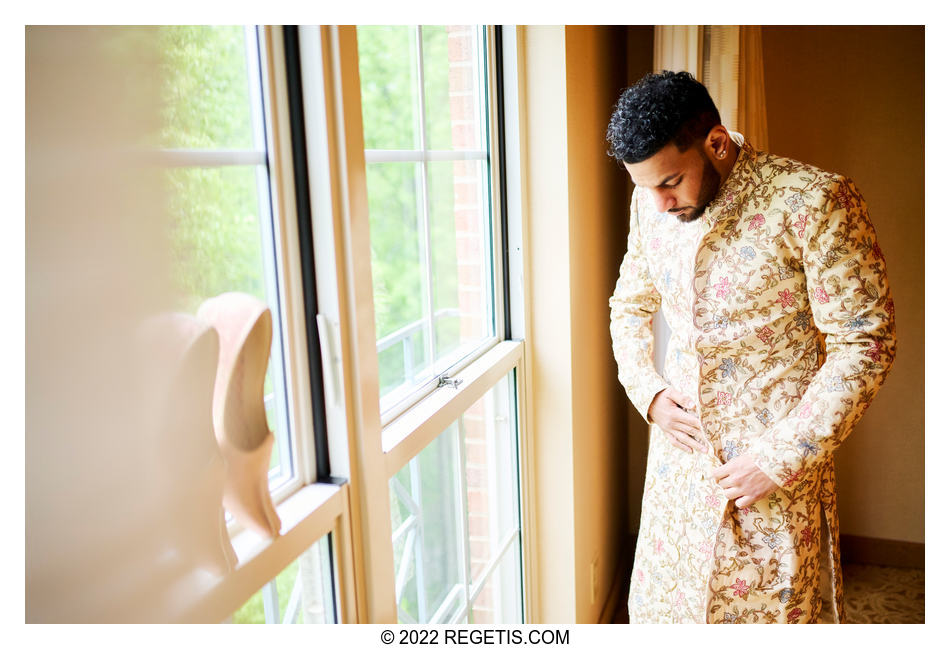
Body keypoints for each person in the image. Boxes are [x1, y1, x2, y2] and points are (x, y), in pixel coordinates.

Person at [606, 71, 896, 624]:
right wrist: (649, 394)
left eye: (670, 181)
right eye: (646, 187)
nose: (661, 203)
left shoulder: (815, 200)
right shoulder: (650, 205)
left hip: (773, 476)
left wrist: (781, 458)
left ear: (716, 143)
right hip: (680, 470)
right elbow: (628, 306)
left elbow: (866, 341)